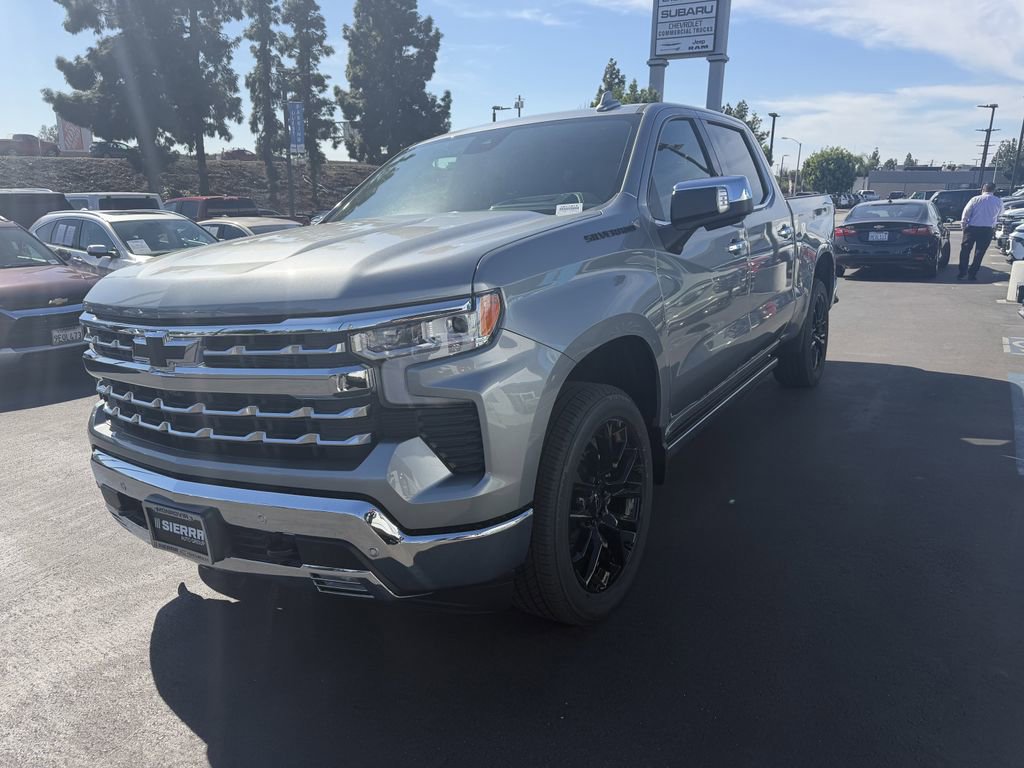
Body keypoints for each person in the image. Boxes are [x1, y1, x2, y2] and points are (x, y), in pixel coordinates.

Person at [958, 183, 1003, 280]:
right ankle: (972, 273)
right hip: (987, 229)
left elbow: (966, 212)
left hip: (972, 228)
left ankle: (962, 272)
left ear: (982, 189)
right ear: (994, 190)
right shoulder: (998, 201)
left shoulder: (975, 199)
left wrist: (963, 225)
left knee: (965, 250)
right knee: (980, 252)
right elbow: (1000, 214)